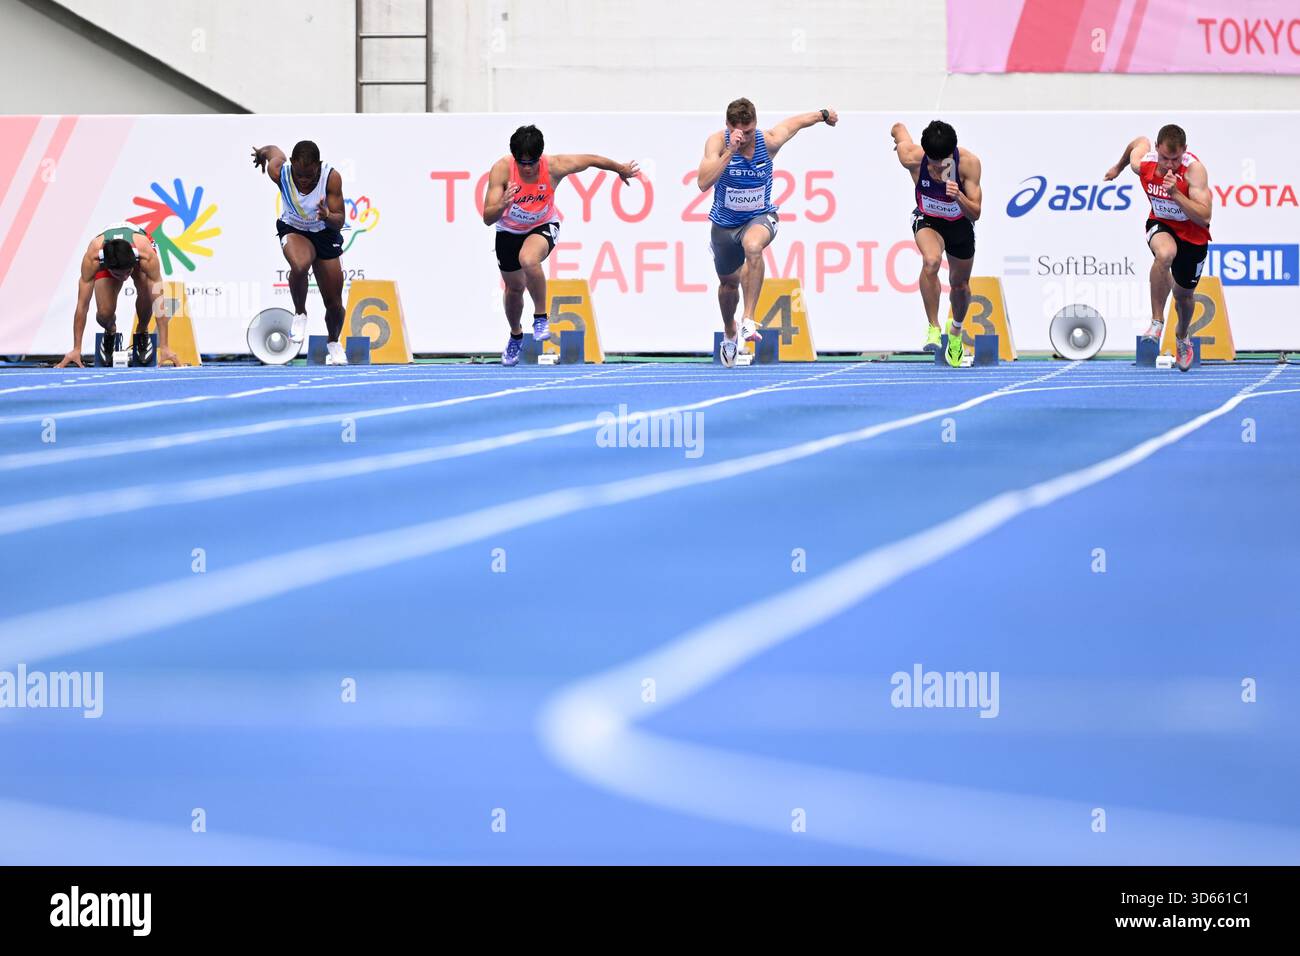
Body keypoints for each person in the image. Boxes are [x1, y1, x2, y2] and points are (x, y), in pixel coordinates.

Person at [698, 98, 838, 368]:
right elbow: (703, 182)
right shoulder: (716, 143)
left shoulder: (768, 141)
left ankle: (748, 319)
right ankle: (730, 330)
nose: (746, 137)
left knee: (753, 246)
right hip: (725, 226)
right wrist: (730, 151)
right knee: (728, 286)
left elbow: (795, 124)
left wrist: (823, 114)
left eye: (750, 131)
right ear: (728, 127)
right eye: (740, 132)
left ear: (756, 125)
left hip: (760, 216)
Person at [483, 125, 638, 366]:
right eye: (521, 163)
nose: (527, 168)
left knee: (529, 259)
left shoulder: (554, 166)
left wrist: (621, 169)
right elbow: (487, 218)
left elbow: (592, 160)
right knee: (513, 290)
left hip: (542, 225)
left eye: (532, 163)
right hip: (508, 231)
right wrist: (503, 203)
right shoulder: (502, 169)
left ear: (540, 158)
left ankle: (541, 317)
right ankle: (515, 335)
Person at [1104, 124, 1212, 372]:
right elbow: (1137, 142)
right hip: (1161, 223)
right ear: (1156, 149)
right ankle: (1156, 321)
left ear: (1184, 151)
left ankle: (1182, 336)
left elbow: (1204, 217)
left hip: (1193, 235)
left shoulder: (1194, 171)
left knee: (1184, 297)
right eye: (1164, 157)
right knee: (1164, 254)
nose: (1170, 164)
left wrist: (1176, 194)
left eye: (1175, 159)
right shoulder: (1144, 164)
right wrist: (1118, 168)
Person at [890, 120, 983, 368]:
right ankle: (933, 327)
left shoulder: (968, 164)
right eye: (932, 163)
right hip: (928, 220)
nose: (936, 168)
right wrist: (895, 138)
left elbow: (975, 213)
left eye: (943, 163)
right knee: (931, 261)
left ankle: (955, 333)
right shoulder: (911, 157)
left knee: (960, 285)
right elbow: (898, 128)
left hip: (959, 225)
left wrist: (959, 195)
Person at [250, 140, 349, 364]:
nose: (304, 181)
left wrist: (327, 216)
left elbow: (340, 220)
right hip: (294, 228)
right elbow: (273, 152)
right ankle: (300, 313)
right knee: (300, 265)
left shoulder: (331, 178)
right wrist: (262, 154)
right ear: (292, 164)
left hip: (324, 231)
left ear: (318, 166)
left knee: (334, 304)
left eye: (310, 176)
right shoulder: (280, 172)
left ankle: (333, 342)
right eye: (300, 175)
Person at [56, 222, 176, 368]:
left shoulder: (146, 255)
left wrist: (164, 346)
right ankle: (110, 331)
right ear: (105, 265)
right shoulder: (93, 257)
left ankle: (142, 331)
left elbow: (159, 302)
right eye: (119, 274)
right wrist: (76, 348)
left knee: (147, 291)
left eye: (128, 272)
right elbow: (82, 306)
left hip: (137, 253)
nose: (125, 278)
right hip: (110, 257)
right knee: (104, 313)